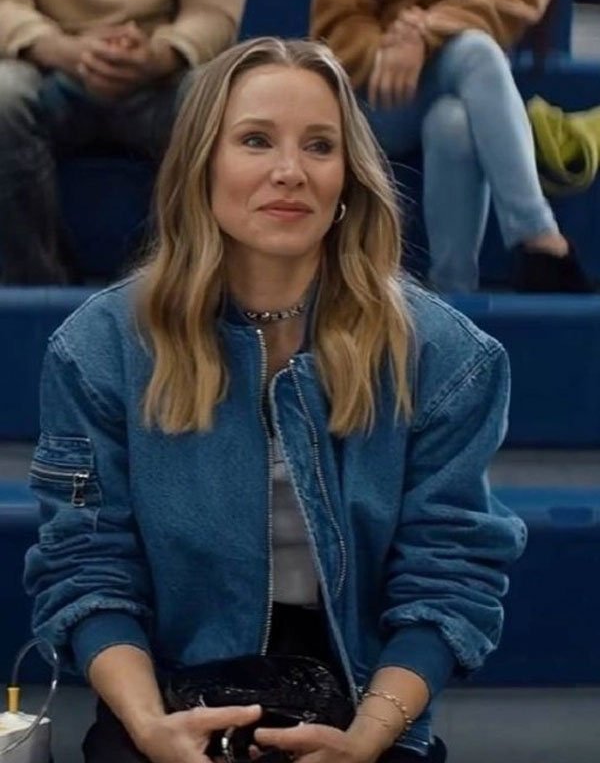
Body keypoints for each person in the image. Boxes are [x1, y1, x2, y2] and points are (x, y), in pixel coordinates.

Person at [24, 37, 526, 763]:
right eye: (256, 140)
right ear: (203, 164)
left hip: (361, 695)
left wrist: (366, 738)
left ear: (348, 176)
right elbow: (87, 566)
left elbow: (449, 575)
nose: (290, 171)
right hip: (168, 691)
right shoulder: (98, 347)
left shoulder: (446, 357)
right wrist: (150, 725)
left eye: (320, 146)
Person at [310, 0, 595, 294]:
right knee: (477, 51)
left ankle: (453, 289)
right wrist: (387, 51)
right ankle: (539, 238)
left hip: (467, 84)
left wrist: (426, 31)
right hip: (376, 91)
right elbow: (338, 24)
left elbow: (509, 1)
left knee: (453, 121)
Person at [0, 0, 247, 284]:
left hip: (163, 76)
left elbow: (212, 13)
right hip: (49, 67)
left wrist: (157, 55)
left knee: (212, 96)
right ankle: (33, 287)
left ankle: (176, 281)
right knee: (4, 95)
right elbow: (6, 5)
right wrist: (70, 51)